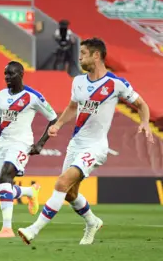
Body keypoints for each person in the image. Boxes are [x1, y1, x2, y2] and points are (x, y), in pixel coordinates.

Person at [18, 37, 154, 245]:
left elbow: (141, 104)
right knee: (71, 193)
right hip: (76, 144)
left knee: (61, 182)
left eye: (82, 53)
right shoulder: (78, 81)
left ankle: (33, 230)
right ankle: (92, 222)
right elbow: (73, 107)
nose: (79, 57)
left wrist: (144, 122)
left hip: (96, 146)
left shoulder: (115, 84)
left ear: (96, 55)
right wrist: (57, 125)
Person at [0, 61, 58, 238]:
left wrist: (41, 143)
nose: (7, 78)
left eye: (11, 74)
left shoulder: (33, 96)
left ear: (21, 74)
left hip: (21, 143)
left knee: (5, 176)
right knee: (2, 187)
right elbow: (1, 117)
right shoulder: (2, 94)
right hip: (3, 142)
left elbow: (54, 118)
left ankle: (7, 229)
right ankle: (29, 191)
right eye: (5, 74)